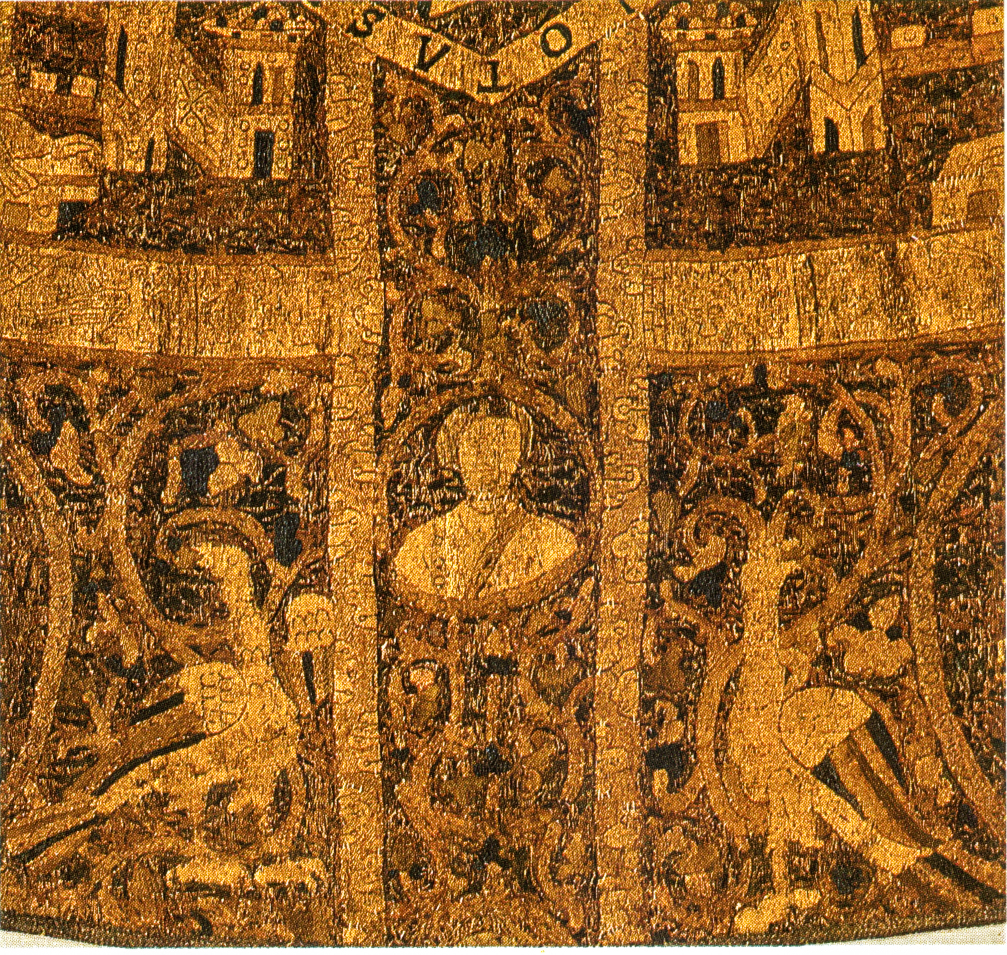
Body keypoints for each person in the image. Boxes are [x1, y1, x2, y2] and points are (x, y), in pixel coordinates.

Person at [393, 403, 577, 603]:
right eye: (477, 444)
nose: (489, 460)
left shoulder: (554, 542)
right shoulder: (421, 546)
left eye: (504, 445)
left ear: (519, 456)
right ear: (456, 454)